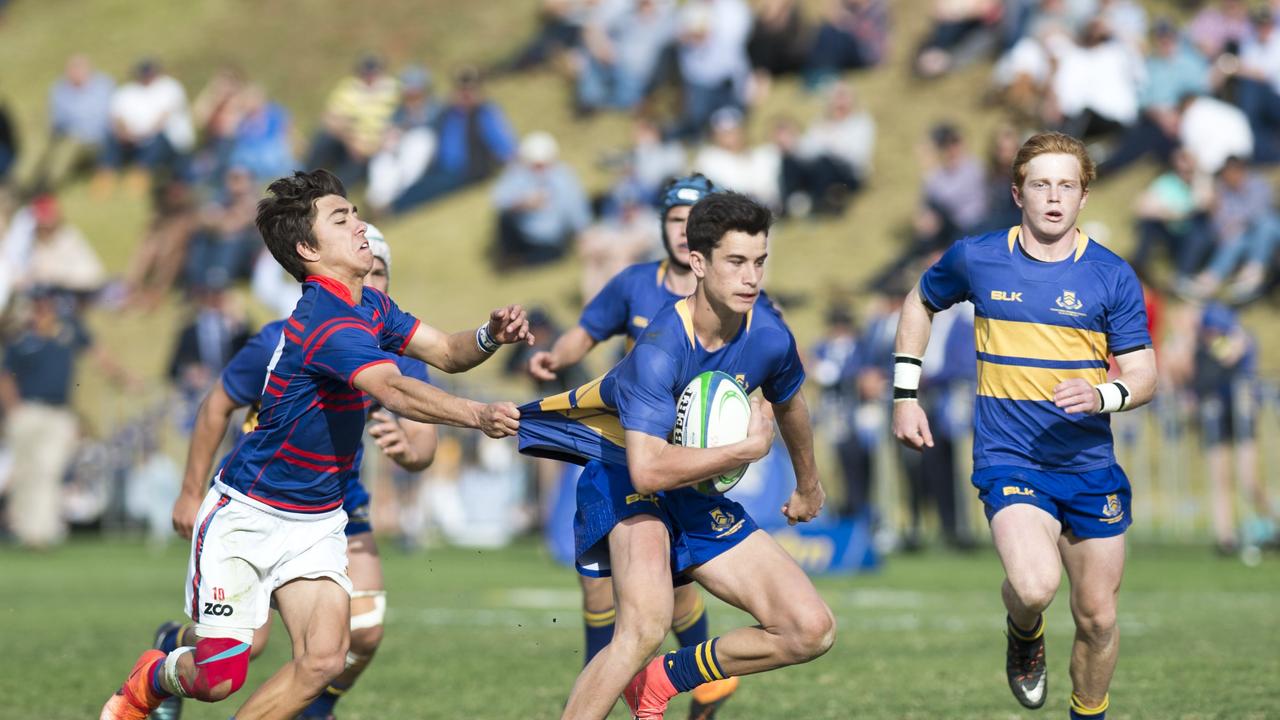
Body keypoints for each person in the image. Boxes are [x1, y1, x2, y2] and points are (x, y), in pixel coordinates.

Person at [100, 169, 531, 720]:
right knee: (218, 676)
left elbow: (445, 351)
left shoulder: (371, 308)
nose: (359, 226)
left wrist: (489, 334)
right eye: (342, 218)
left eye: (354, 214)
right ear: (307, 249)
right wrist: (480, 414)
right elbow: (395, 389)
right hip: (249, 515)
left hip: (318, 518)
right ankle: (152, 677)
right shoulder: (325, 322)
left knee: (326, 658)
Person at [519, 191, 834, 720]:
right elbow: (647, 467)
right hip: (625, 479)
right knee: (645, 624)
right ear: (698, 262)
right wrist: (747, 449)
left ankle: (664, 679)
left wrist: (808, 484)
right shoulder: (661, 346)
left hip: (691, 490)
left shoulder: (770, 335)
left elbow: (792, 404)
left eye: (759, 261)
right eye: (735, 262)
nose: (751, 277)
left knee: (811, 629)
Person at [892, 132, 1157, 720]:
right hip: (1011, 458)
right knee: (1035, 586)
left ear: (1085, 196)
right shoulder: (977, 256)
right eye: (1041, 184)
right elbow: (919, 302)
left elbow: (1144, 374)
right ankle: (1024, 627)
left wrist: (1102, 393)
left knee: (1098, 616)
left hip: (1088, 466)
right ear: (1018, 193)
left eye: (1067, 185)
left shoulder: (1111, 275)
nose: (1054, 197)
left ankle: (1087, 712)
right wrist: (905, 396)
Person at [150, 224, 438, 720]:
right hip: (261, 500)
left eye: (381, 273)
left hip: (337, 504)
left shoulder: (399, 348)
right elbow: (217, 405)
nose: (373, 282)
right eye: (367, 271)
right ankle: (171, 647)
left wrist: (406, 449)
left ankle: (314, 710)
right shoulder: (287, 336)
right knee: (250, 646)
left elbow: (424, 447)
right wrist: (189, 491)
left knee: (364, 631)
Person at [527, 174, 741, 718]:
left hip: (681, 462)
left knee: (672, 592)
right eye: (674, 220)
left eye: (693, 222)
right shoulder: (634, 284)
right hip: (622, 447)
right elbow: (587, 330)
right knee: (601, 591)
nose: (682, 230)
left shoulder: (730, 294)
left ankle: (697, 684)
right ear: (663, 225)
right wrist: (557, 356)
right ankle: (608, 690)